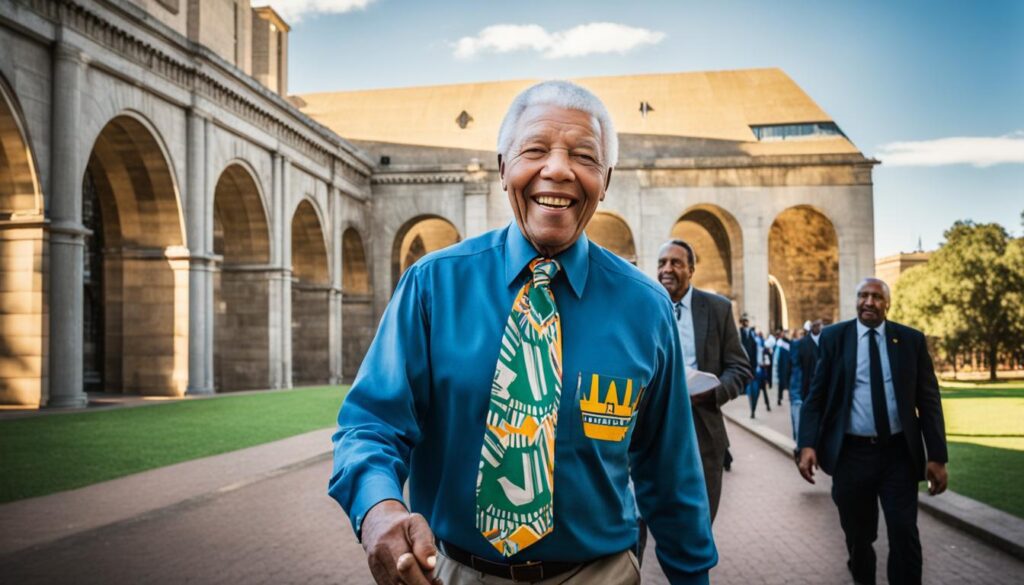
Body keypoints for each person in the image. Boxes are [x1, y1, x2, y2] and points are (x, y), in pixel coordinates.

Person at [329, 80, 716, 585]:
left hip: (599, 575)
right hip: (455, 572)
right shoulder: (432, 286)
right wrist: (377, 507)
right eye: (535, 150)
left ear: (606, 179)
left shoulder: (647, 308)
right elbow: (370, 425)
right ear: (503, 167)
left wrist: (693, 577)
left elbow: (670, 473)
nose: (557, 169)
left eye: (584, 156)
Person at [796, 278, 948, 585]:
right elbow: (816, 397)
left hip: (898, 455)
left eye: (877, 297)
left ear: (887, 304)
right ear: (856, 300)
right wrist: (807, 444)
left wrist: (937, 457)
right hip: (852, 455)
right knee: (859, 536)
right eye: (863, 295)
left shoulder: (910, 341)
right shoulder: (834, 338)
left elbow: (929, 401)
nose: (869, 302)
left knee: (904, 533)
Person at [656, 239, 753, 521]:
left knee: (699, 523)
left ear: (691, 269)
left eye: (676, 263)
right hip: (653, 430)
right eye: (662, 263)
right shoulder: (645, 305)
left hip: (703, 431)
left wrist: (710, 393)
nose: (667, 269)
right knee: (641, 521)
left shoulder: (717, 308)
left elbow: (739, 367)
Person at [772, 329, 791, 406]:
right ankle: (779, 398)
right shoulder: (779, 343)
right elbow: (776, 356)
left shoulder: (788, 342)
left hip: (787, 365)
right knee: (781, 384)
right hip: (782, 365)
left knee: (788, 382)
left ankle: (788, 396)